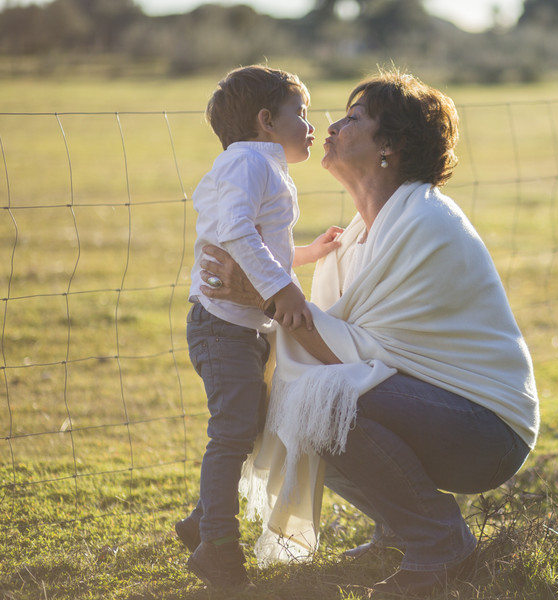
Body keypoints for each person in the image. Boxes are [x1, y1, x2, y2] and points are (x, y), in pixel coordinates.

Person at [198, 68, 540, 598]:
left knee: (329, 401)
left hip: (487, 429)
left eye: (354, 119)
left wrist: (259, 293)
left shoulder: (426, 221)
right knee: (301, 401)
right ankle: (401, 529)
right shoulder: (355, 238)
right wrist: (262, 291)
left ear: (391, 147)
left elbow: (348, 358)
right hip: (432, 409)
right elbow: (340, 349)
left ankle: (441, 543)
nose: (331, 126)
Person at [176, 64, 341, 591]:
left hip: (238, 328)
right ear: (267, 120)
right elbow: (237, 233)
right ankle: (217, 547)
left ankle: (201, 520)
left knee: (245, 426)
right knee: (230, 435)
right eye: (302, 114)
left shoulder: (261, 163)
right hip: (222, 328)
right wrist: (281, 289)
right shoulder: (249, 163)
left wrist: (310, 253)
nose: (312, 126)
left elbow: (265, 246)